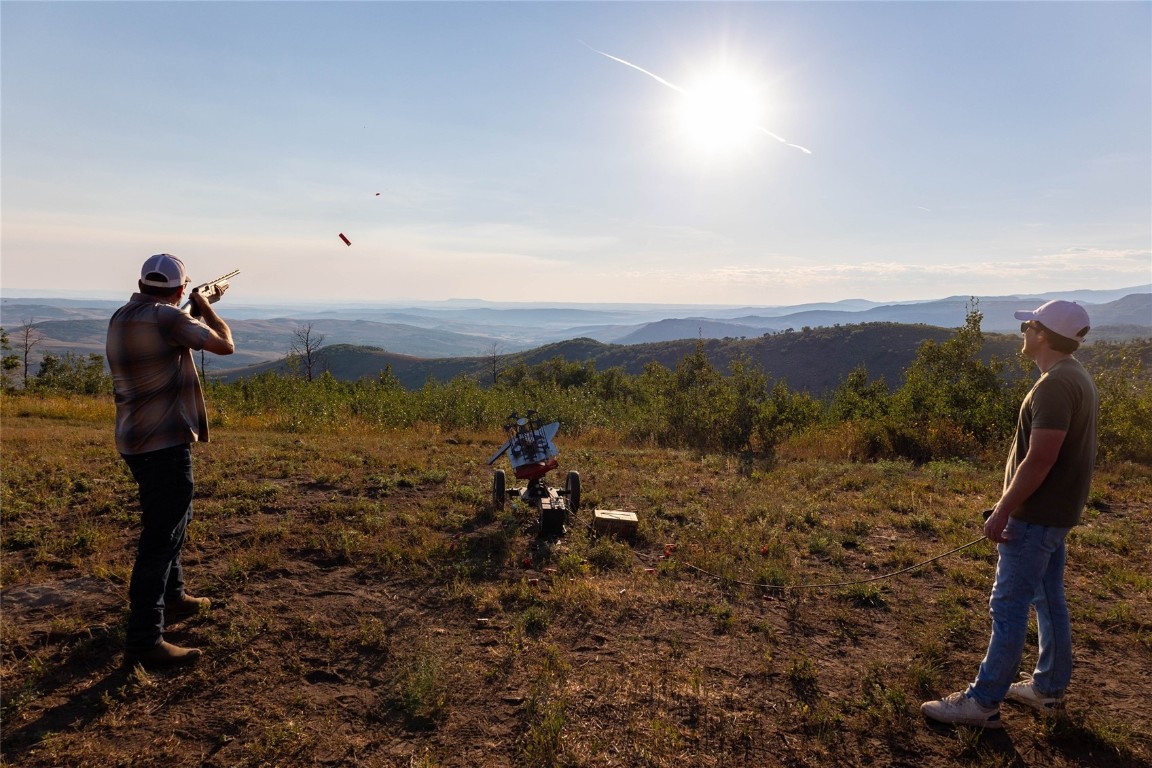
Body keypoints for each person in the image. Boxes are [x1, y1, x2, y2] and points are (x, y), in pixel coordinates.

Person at [921, 299, 1098, 729]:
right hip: (1054, 514)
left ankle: (982, 703)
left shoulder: (1055, 384)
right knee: (1047, 597)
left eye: (1028, 326)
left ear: (1041, 335)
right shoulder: (1074, 377)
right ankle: (1048, 691)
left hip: (1035, 516)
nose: (1023, 333)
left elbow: (1040, 459)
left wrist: (1003, 510)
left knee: (1008, 604)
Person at [107, 253, 235, 666]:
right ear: (180, 289)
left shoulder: (122, 316)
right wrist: (207, 307)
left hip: (133, 441)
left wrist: (186, 306)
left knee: (171, 522)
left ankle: (173, 596)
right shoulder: (169, 319)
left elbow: (163, 325)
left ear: (143, 283)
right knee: (160, 540)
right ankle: (145, 639)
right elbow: (225, 346)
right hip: (164, 444)